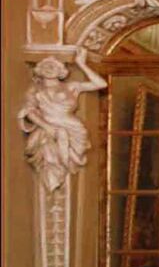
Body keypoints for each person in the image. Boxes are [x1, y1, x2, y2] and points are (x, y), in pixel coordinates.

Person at [18, 48, 107, 192]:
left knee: (70, 152)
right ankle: (58, 174)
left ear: (61, 71)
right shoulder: (35, 90)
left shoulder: (71, 87)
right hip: (48, 126)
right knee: (51, 156)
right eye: (46, 66)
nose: (49, 69)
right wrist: (47, 127)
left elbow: (101, 84)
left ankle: (70, 162)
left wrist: (81, 64)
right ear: (39, 70)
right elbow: (30, 112)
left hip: (74, 128)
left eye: (53, 66)